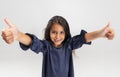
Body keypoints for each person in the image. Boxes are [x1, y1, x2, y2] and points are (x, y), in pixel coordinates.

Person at [1, 16, 115, 77]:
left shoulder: (69, 45)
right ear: (49, 32)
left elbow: (84, 38)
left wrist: (101, 33)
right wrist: (19, 35)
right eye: (54, 32)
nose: (57, 36)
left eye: (61, 32)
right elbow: (32, 42)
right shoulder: (46, 47)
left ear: (66, 34)